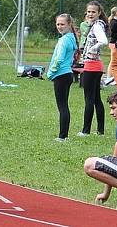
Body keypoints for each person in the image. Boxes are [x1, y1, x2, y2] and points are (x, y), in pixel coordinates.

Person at [46, 13, 78, 142]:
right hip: (68, 74)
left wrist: (50, 72)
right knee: (64, 105)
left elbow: (59, 59)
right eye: (58, 24)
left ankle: (62, 136)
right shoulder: (71, 38)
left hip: (61, 75)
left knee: (62, 106)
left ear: (69, 24)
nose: (59, 26)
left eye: (62, 24)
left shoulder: (64, 40)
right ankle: (64, 134)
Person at [78, 1, 108, 136]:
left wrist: (92, 49)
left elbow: (103, 41)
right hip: (97, 65)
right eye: (88, 11)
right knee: (96, 98)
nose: (90, 14)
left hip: (91, 65)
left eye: (93, 12)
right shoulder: (96, 25)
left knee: (89, 98)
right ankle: (100, 130)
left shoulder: (96, 26)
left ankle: (86, 130)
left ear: (99, 13)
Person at [104, 6, 117, 86]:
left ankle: (111, 77)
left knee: (114, 61)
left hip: (114, 43)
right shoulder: (114, 22)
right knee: (113, 61)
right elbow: (114, 34)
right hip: (114, 43)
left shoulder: (115, 21)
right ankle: (109, 77)